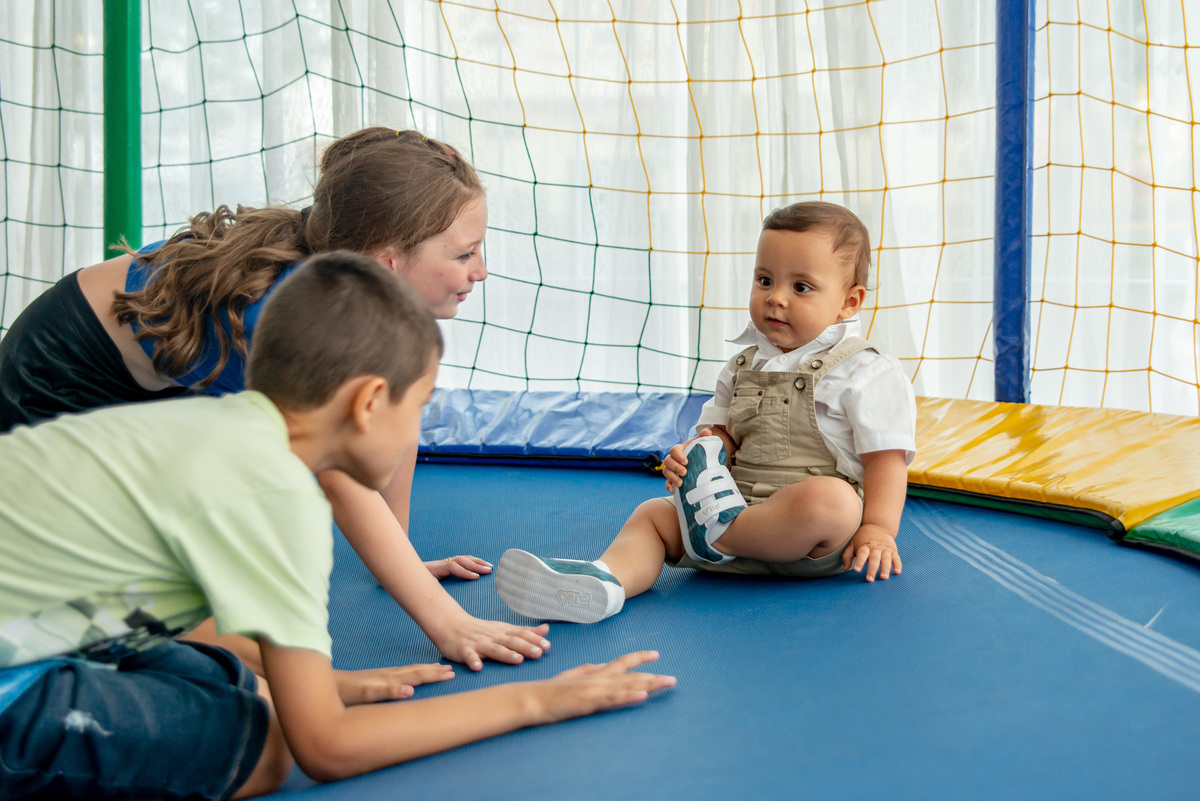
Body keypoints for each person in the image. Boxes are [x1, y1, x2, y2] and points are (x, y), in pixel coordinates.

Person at [0, 252, 675, 800]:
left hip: (42, 622)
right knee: (263, 748)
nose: (419, 429)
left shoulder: (211, 428)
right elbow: (324, 748)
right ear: (370, 403)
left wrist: (323, 683)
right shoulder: (276, 497)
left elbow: (132, 600)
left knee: (246, 688)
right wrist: (539, 700)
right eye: (420, 408)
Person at [0, 127, 552, 671]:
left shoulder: (346, 275)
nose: (480, 272)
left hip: (136, 386)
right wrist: (447, 622)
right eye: (465, 255)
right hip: (49, 389)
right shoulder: (296, 312)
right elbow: (345, 480)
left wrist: (401, 558)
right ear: (387, 262)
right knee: (192, 624)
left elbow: (397, 411)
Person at [495, 201, 917, 623]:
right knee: (653, 517)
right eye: (765, 280)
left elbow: (886, 459)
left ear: (849, 302)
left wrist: (878, 528)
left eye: (801, 287)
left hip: (808, 543)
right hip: (728, 511)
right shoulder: (742, 365)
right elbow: (722, 438)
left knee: (833, 501)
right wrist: (694, 456)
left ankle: (724, 535)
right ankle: (606, 583)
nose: (776, 298)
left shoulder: (866, 370)